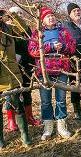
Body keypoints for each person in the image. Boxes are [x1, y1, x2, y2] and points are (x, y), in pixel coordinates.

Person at [28, 6, 76, 140]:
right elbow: (32, 51)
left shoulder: (63, 31)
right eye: (48, 16)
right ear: (42, 20)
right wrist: (50, 47)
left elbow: (72, 46)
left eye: (52, 15)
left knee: (61, 99)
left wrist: (64, 47)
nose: (51, 18)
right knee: (45, 101)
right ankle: (48, 127)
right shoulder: (37, 33)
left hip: (61, 69)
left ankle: (61, 126)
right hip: (44, 71)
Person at [5, 6, 41, 132]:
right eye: (15, 13)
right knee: (10, 94)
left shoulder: (25, 29)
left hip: (27, 64)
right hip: (12, 66)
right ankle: (11, 120)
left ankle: (29, 116)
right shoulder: (6, 29)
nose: (19, 15)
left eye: (20, 13)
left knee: (27, 90)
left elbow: (31, 44)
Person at [0, 9, 31, 149]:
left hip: (12, 73)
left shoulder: (9, 28)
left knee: (18, 105)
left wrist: (11, 14)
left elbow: (24, 30)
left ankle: (25, 136)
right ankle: (0, 140)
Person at [63, 3, 81, 120]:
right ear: (69, 14)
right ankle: (77, 110)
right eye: (74, 11)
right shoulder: (66, 26)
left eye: (78, 10)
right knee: (75, 84)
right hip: (74, 60)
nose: (77, 12)